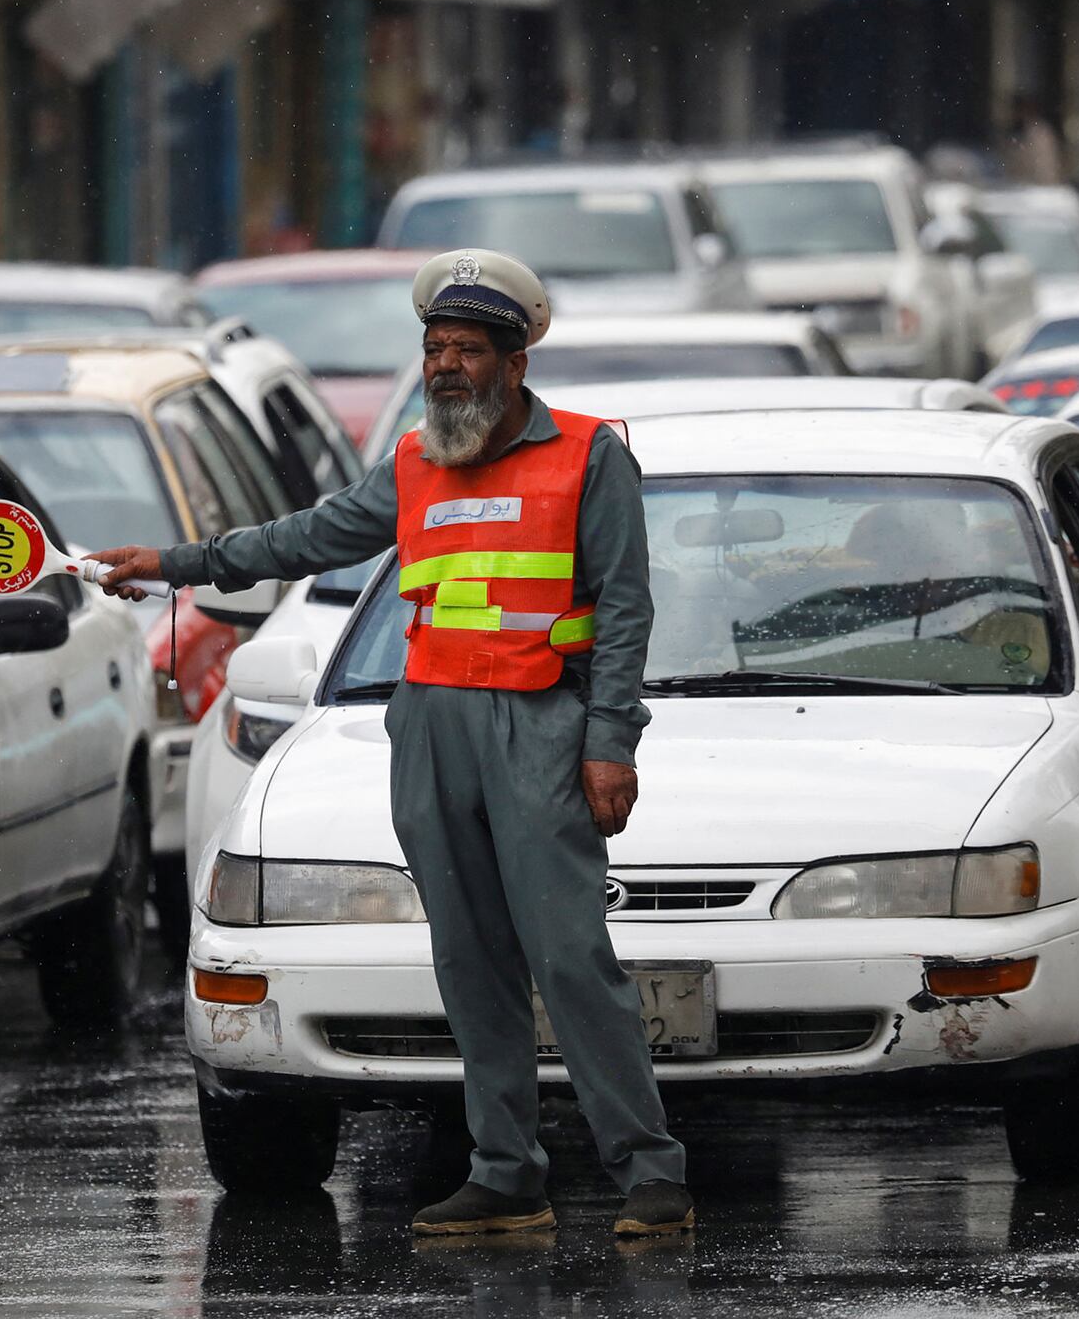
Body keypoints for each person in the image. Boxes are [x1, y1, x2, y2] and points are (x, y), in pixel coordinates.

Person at [86, 249, 693, 1238]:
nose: (447, 365)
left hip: (543, 724)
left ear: (514, 363)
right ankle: (506, 1172)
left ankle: (650, 1169)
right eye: (434, 349)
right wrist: (173, 565)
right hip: (430, 725)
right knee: (467, 958)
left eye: (466, 349)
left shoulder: (590, 456)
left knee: (571, 953)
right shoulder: (414, 461)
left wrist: (610, 742)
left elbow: (626, 608)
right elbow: (308, 537)